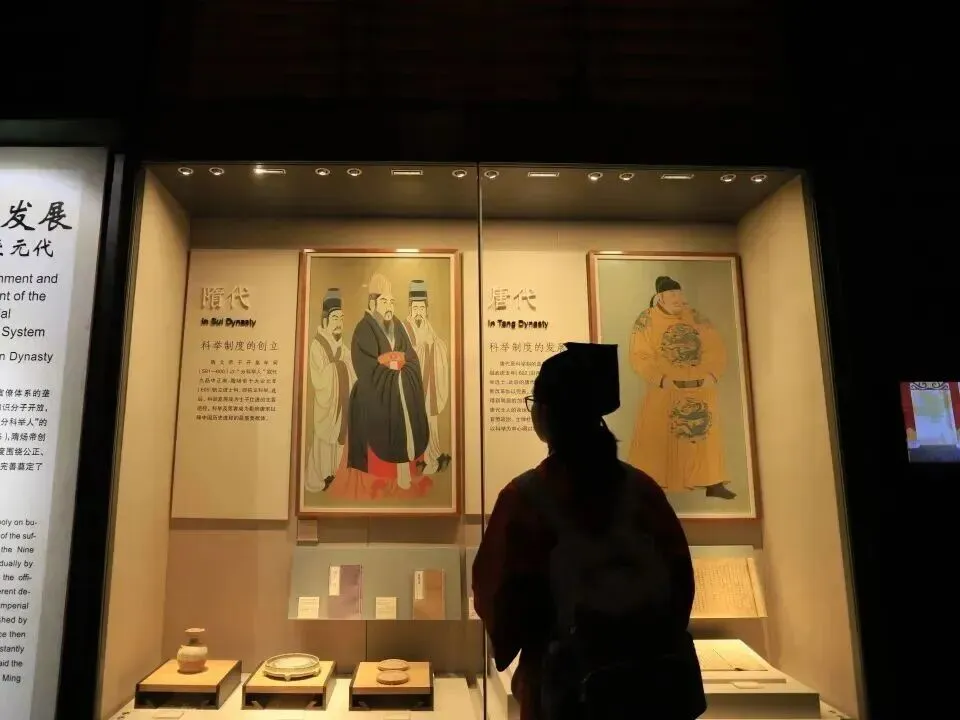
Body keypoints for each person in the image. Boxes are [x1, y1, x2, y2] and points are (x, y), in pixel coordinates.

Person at [473, 341, 706, 720]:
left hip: (565, 692)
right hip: (650, 691)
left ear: (545, 414)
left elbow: (497, 595)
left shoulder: (525, 498)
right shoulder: (642, 490)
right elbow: (680, 582)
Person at [345, 272, 430, 493]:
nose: (390, 306)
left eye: (392, 301)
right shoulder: (363, 329)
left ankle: (403, 473)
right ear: (373, 304)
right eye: (384, 301)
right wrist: (391, 370)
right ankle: (376, 482)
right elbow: (366, 367)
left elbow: (411, 356)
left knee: (403, 413)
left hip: (398, 386)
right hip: (372, 391)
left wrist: (402, 369)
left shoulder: (397, 325)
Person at [304, 288, 355, 493]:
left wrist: (346, 366)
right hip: (326, 407)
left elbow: (352, 368)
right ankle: (317, 479)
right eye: (335, 318)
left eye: (341, 318)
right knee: (323, 443)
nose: (339, 322)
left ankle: (332, 474)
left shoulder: (342, 347)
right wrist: (339, 367)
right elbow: (319, 379)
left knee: (337, 443)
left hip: (341, 406)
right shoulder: (317, 346)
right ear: (325, 320)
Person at [403, 279, 452, 474]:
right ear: (410, 308)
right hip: (413, 385)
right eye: (415, 307)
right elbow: (403, 353)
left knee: (431, 423)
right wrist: (422, 348)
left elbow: (439, 345)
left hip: (429, 385)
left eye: (422, 308)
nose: (418, 312)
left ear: (426, 309)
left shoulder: (428, 326)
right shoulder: (404, 328)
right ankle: (418, 460)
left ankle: (433, 457)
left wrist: (433, 346)